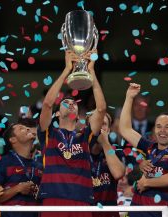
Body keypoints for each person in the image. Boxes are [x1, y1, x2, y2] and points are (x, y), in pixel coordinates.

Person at [37, 49, 106, 217]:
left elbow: (102, 108)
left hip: (81, 199)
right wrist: (67, 70)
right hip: (53, 199)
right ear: (58, 113)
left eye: (74, 102)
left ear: (78, 115)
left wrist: (91, 72)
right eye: (65, 102)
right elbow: (47, 105)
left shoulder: (85, 136)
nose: (71, 103)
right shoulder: (48, 133)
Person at [119, 83, 168, 217]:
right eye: (158, 126)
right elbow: (125, 129)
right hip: (136, 212)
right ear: (154, 129)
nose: (162, 131)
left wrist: (147, 182)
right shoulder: (149, 147)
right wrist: (129, 98)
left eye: (167, 127)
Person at [0, 118, 41, 217]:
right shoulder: (2, 162)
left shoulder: (39, 165)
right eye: (21, 128)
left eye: (28, 128)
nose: (27, 129)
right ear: (13, 139)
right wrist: (18, 188)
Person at [90, 113, 125, 217]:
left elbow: (118, 173)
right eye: (96, 123)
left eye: (104, 124)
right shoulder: (79, 151)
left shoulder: (116, 151)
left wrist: (105, 143)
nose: (100, 127)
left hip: (109, 214)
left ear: (109, 130)